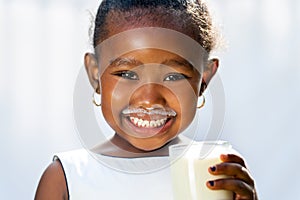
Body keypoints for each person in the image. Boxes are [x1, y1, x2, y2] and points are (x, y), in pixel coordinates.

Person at [35, 0, 258, 199]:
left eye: (174, 76)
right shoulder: (66, 177)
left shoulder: (220, 170)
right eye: (127, 74)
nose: (150, 100)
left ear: (204, 80)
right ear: (95, 74)